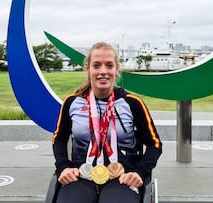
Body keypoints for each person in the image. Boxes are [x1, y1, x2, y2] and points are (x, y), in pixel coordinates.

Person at [52, 42, 162, 203]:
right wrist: (63, 167)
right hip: (81, 175)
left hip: (122, 177)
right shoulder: (72, 102)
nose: (103, 71)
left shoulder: (132, 103)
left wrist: (139, 172)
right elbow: (59, 139)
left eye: (109, 65)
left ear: (116, 69)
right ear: (88, 68)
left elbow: (155, 144)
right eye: (96, 66)